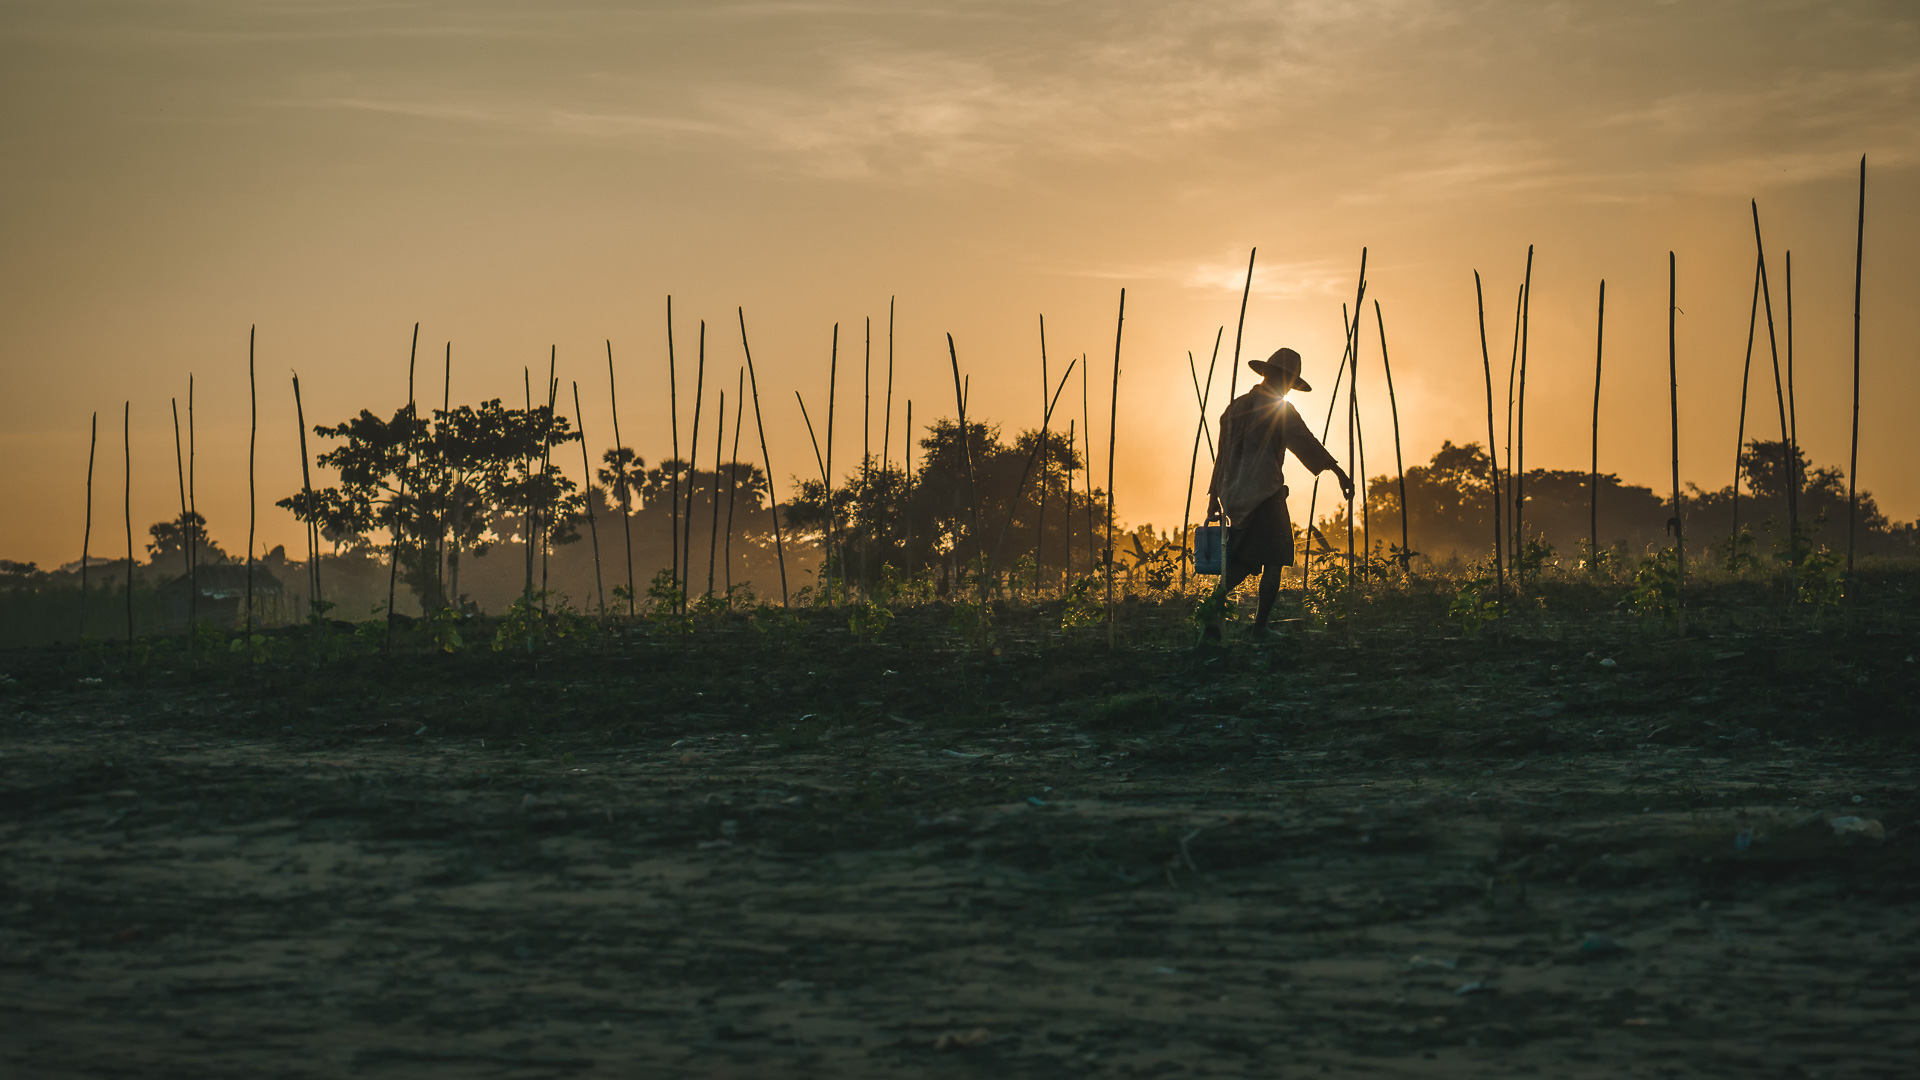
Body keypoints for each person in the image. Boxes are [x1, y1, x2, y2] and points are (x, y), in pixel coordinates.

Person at [1199, 346, 1351, 642]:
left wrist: (1214, 497)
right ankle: (1259, 628)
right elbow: (1308, 444)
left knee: (1242, 560)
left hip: (1235, 496)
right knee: (1275, 557)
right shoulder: (1281, 410)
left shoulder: (1235, 408)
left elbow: (1221, 457)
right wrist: (1340, 473)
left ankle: (1210, 620)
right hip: (1265, 493)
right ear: (1279, 379)